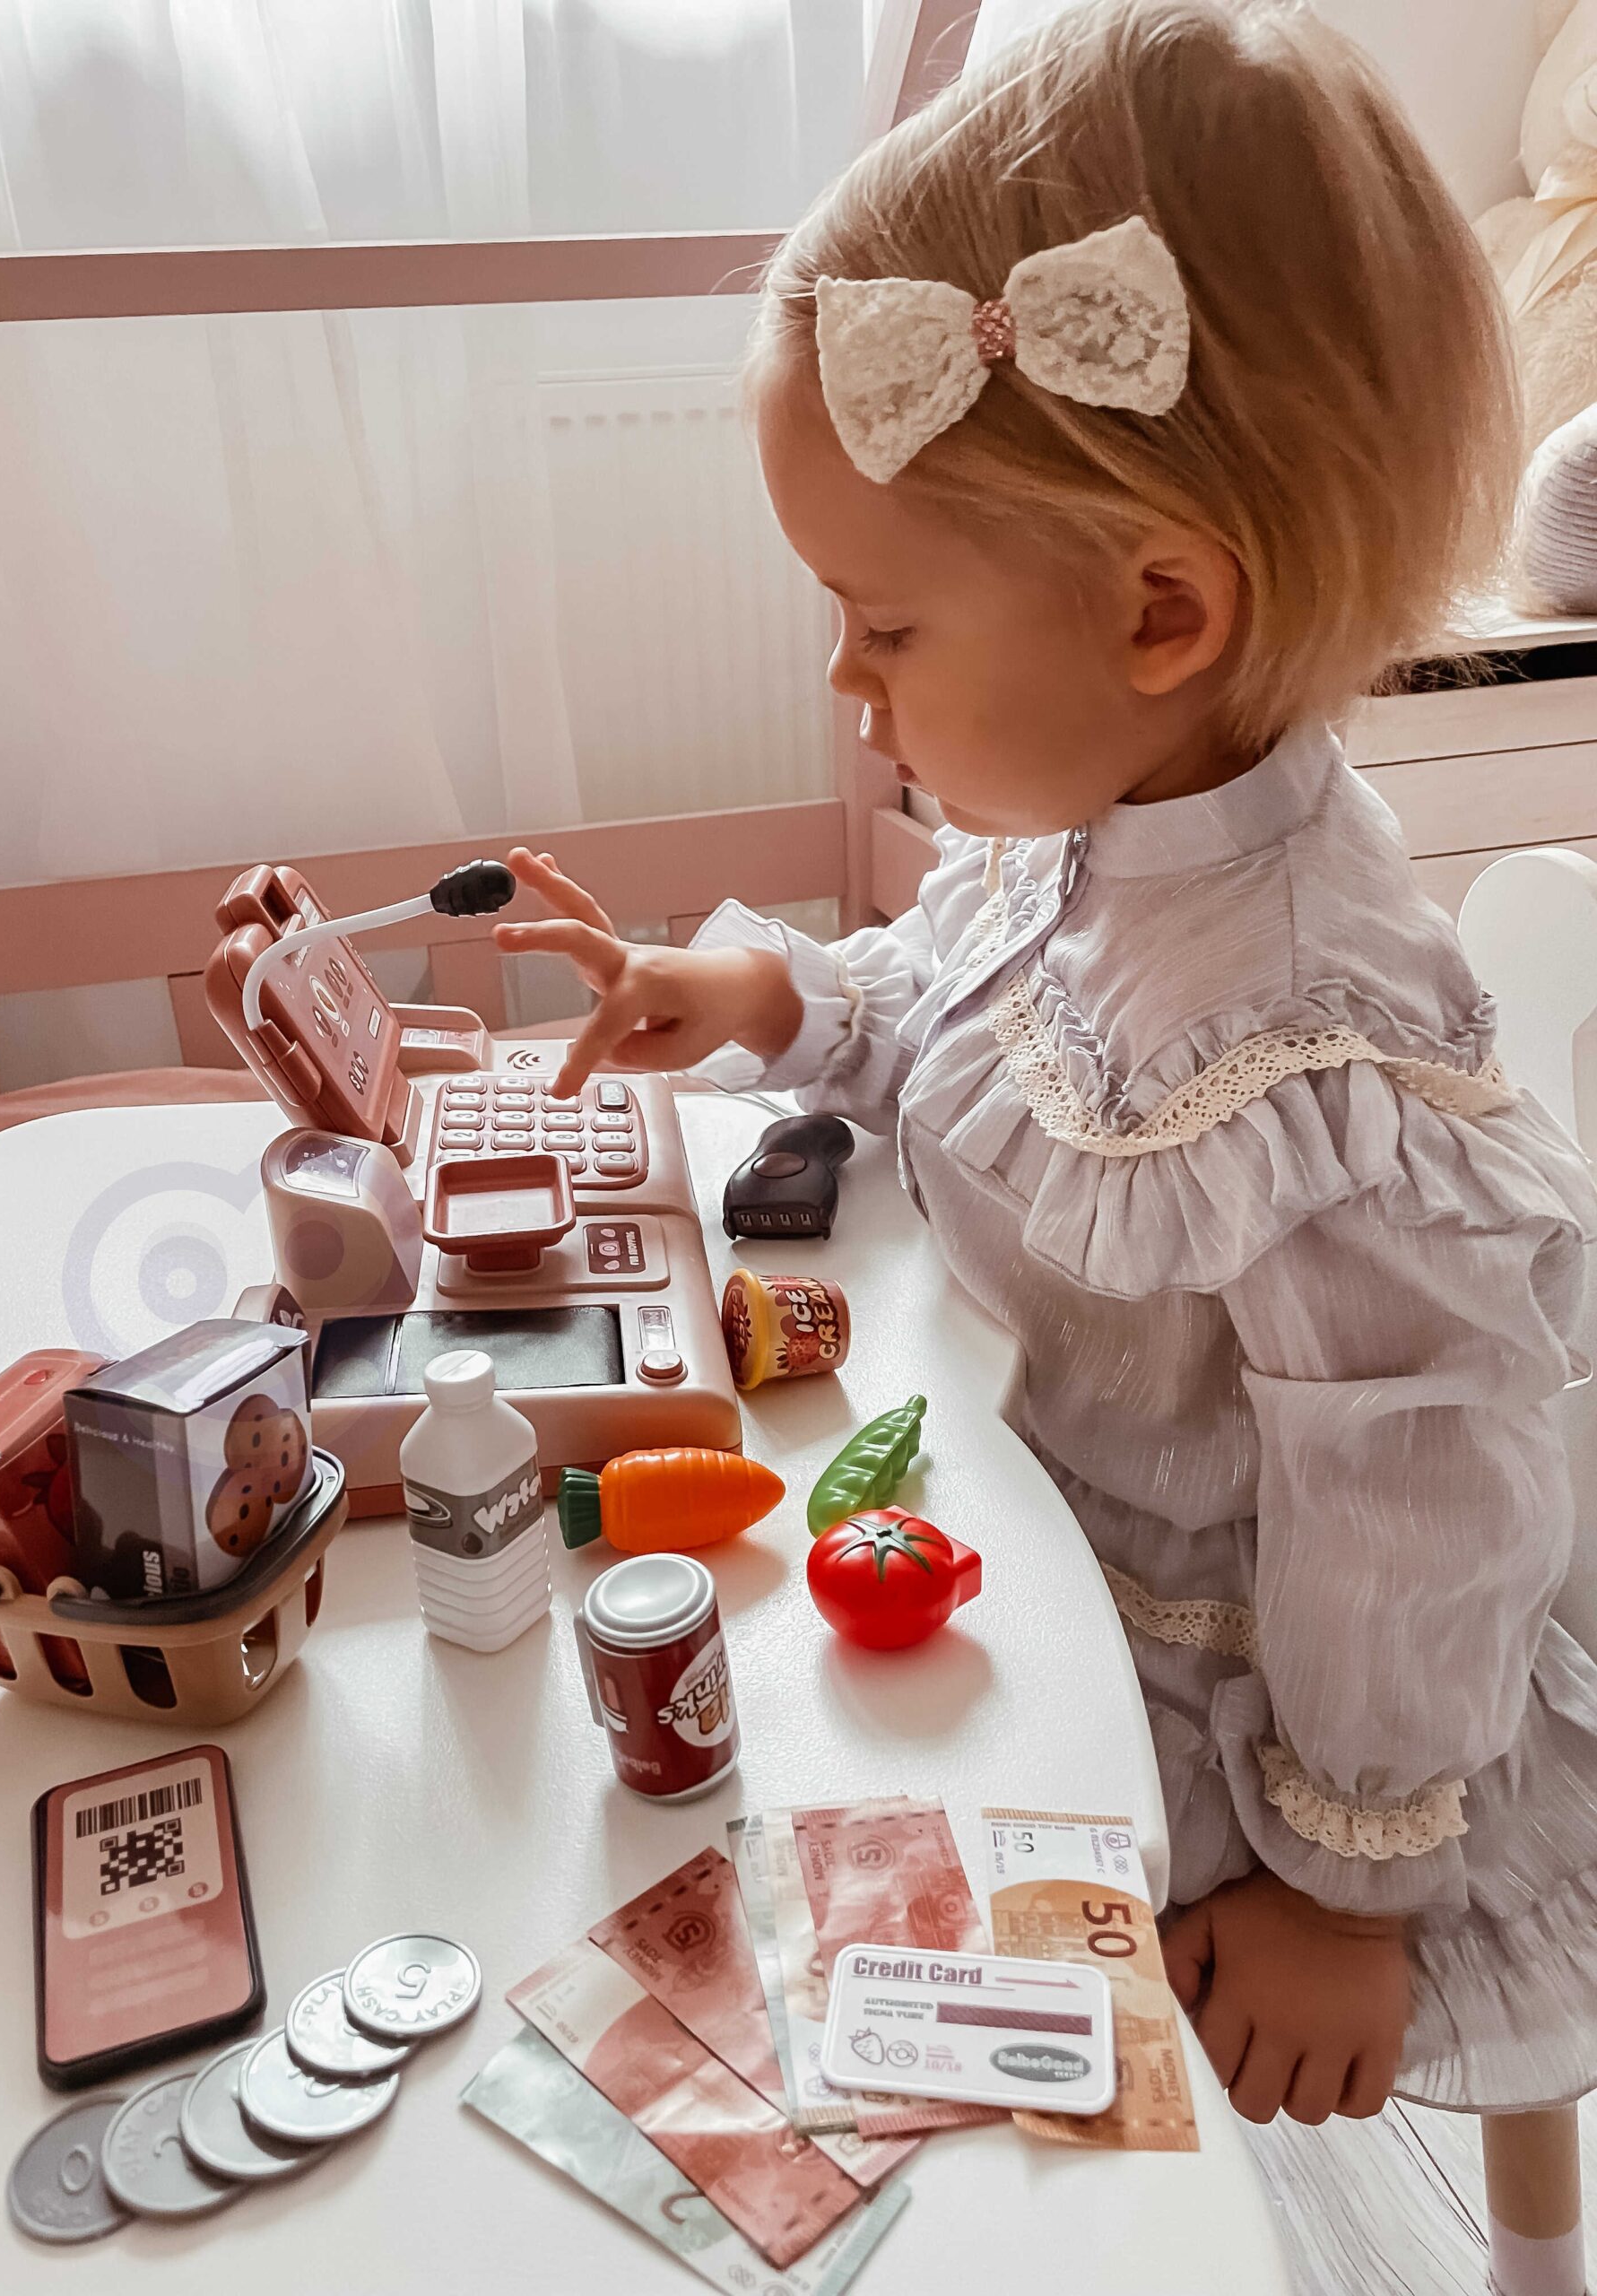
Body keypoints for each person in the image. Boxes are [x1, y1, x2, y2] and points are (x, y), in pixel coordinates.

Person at [496, 5, 1597, 2280]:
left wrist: (1339, 1884)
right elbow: (964, 1015)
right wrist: (779, 998)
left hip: (1278, 1700)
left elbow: (1424, 1486)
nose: (846, 681)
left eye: (885, 623)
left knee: (1019, 2144)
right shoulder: (1093, 831)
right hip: (1042, 1530)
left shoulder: (1310, 1045)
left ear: (1162, 611)